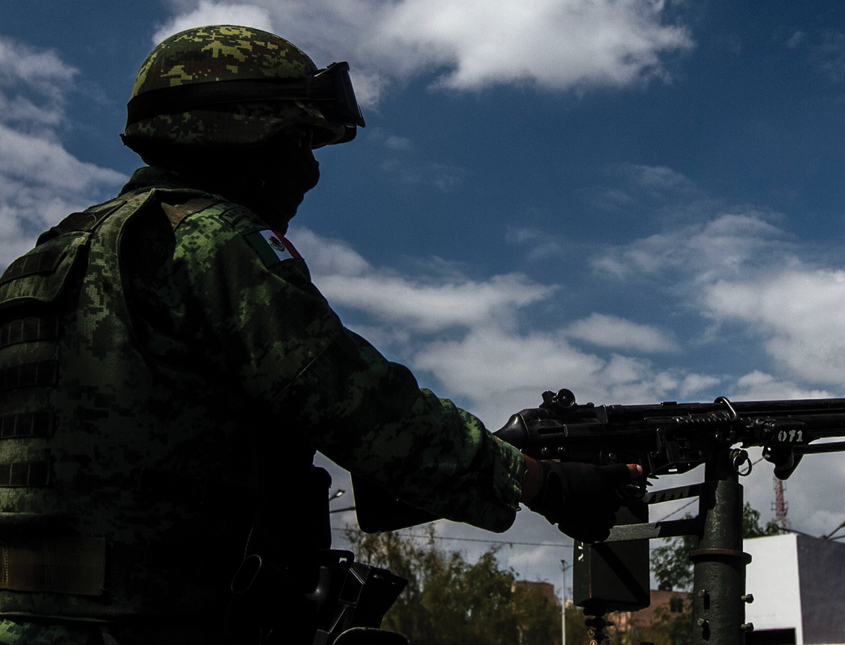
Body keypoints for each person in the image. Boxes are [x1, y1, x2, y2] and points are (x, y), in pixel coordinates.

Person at [0, 24, 638, 644]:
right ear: (241, 132)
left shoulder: (42, 261)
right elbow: (367, 410)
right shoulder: (213, 242)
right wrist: (542, 482)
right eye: (300, 140)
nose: (309, 172)